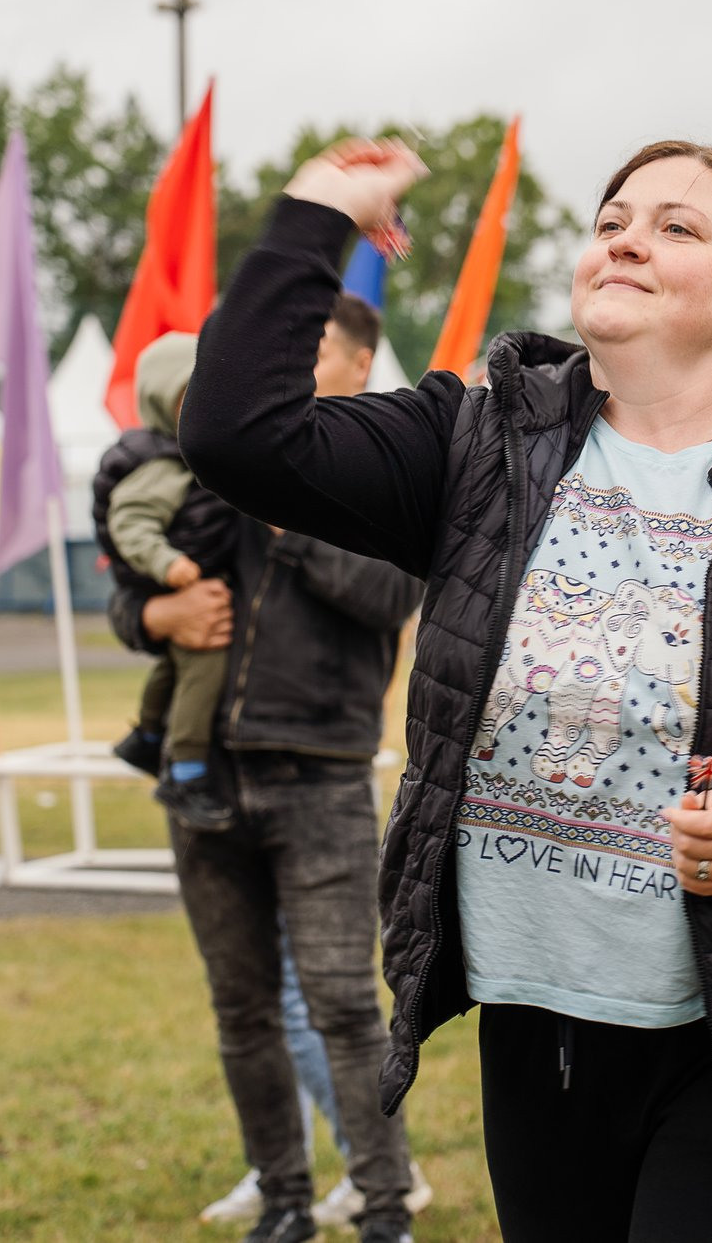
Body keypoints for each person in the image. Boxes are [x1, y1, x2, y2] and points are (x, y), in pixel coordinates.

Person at [181, 139, 712, 1242]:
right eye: (612, 217)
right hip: (545, 1033)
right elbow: (239, 435)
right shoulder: (479, 447)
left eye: (675, 225)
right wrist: (314, 214)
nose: (625, 237)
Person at [128, 295, 427, 1243]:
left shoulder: (390, 468)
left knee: (345, 1005)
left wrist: (286, 513)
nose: (283, 363)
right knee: (242, 1008)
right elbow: (130, 584)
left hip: (321, 774)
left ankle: (387, 1209)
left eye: (309, 347)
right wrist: (149, 619)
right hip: (204, 776)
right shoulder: (203, 451)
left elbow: (389, 594)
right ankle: (285, 1200)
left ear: (359, 358)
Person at [95, 331, 242, 831]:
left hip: (192, 587)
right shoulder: (161, 465)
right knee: (202, 667)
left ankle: (148, 734)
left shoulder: (203, 457)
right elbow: (128, 521)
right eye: (192, 396)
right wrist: (166, 566)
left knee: (174, 672)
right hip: (183, 586)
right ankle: (186, 770)